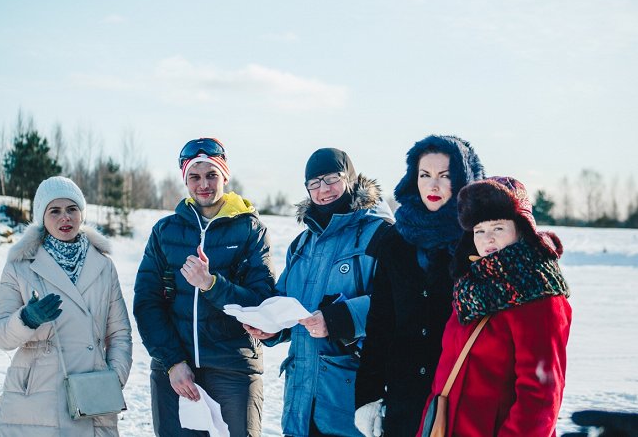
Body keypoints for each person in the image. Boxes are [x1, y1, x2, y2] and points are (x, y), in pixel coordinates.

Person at [244, 148, 394, 437]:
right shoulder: (302, 244)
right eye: (314, 184)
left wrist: (338, 319)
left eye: (331, 180)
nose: (323, 190)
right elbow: (286, 304)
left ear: (349, 179)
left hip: (350, 400)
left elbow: (396, 305)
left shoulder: (380, 234)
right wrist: (271, 328)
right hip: (302, 401)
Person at [133, 137, 275, 437]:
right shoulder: (165, 231)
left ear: (225, 175)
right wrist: (172, 362)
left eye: (211, 174)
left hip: (233, 368)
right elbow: (147, 302)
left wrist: (211, 284)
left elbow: (262, 303)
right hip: (175, 371)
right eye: (194, 177)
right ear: (185, 180)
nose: (204, 185)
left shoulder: (250, 230)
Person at [418, 176, 572, 436]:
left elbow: (541, 394)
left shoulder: (539, 294)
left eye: (498, 228)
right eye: (479, 230)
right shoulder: (471, 287)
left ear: (521, 230)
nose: (487, 239)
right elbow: (443, 379)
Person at [355, 135, 485, 437]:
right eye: (424, 175)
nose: (433, 186)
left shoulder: (480, 240)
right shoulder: (396, 240)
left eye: (445, 176)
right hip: (403, 401)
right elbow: (380, 324)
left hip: (464, 400)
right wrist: (368, 396)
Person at [0, 176, 132, 436]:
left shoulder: (103, 265)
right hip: (34, 398)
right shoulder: (20, 266)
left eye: (72, 209)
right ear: (42, 217)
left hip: (92, 395)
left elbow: (119, 333)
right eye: (54, 210)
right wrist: (26, 319)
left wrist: (113, 380)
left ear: (81, 214)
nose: (64, 218)